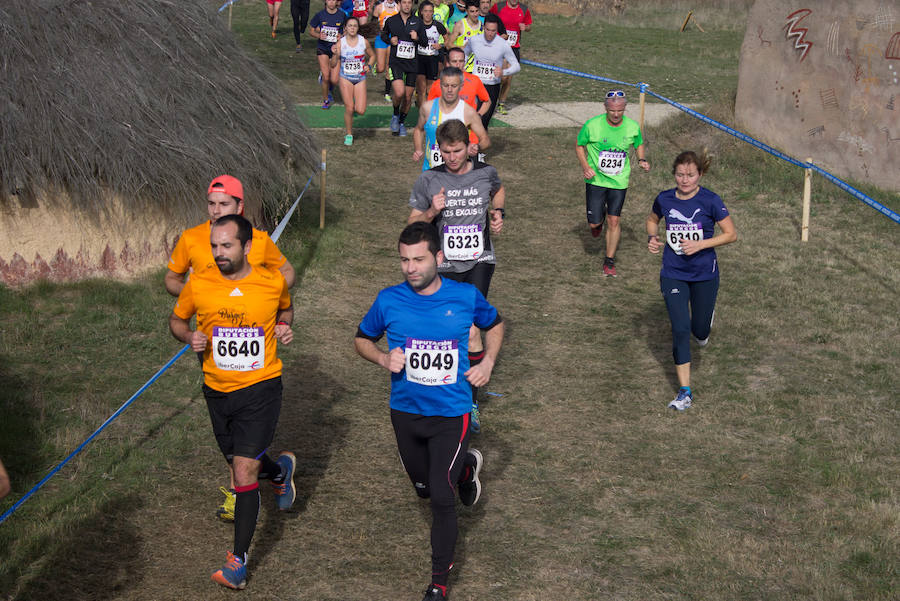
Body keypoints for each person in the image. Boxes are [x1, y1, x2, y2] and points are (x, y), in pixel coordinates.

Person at [354, 221, 504, 601]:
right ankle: (467, 467)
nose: (410, 268)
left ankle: (438, 582)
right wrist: (382, 357)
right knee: (423, 488)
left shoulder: (465, 296)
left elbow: (496, 324)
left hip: (452, 412)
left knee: (440, 494)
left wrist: (486, 363)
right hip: (405, 411)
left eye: (418, 259)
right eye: (404, 260)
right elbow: (361, 338)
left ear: (438, 257)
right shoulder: (388, 300)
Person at [169, 214, 298, 590]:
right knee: (240, 460)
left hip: (261, 387)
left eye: (226, 245)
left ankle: (237, 563)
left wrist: (284, 326)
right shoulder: (200, 283)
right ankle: (279, 472)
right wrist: (188, 336)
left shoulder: (271, 282)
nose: (218, 253)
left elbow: (286, 309)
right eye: (214, 246)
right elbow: (177, 321)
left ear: (246, 246)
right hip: (216, 389)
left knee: (242, 472)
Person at [407, 119, 505, 433]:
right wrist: (432, 212)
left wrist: (498, 212)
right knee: (448, 329)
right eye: (446, 151)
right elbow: (411, 227)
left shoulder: (485, 172)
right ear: (438, 149)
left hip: (479, 260)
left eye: (457, 150)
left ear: (468, 146)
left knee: (472, 327)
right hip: (444, 264)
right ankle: (442, 387)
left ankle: (469, 403)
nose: (451, 157)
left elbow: (498, 190)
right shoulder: (429, 179)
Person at [646, 151, 737, 410]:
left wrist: (701, 245)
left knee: (699, 331)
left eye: (690, 175)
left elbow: (731, 234)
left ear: (700, 174)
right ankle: (684, 391)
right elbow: (652, 220)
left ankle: (705, 322)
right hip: (673, 272)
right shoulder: (664, 198)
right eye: (680, 174)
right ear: (674, 173)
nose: (684, 180)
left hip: (704, 273)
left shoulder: (710, 200)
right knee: (681, 329)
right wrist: (652, 238)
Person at [574, 89, 650, 277]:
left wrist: (641, 159)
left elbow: (638, 142)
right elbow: (579, 145)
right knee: (594, 224)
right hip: (596, 179)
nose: (616, 115)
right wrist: (585, 167)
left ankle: (609, 261)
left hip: (619, 181)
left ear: (624, 109)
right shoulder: (592, 126)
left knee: (614, 220)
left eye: (620, 111)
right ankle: (597, 222)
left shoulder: (632, 127)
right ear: (605, 108)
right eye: (612, 111)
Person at [413, 67, 489, 171]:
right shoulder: (427, 108)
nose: (449, 90)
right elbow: (419, 129)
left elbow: (485, 139)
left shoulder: (468, 112)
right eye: (446, 85)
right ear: (440, 86)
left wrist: (476, 147)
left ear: (461, 87)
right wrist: (418, 149)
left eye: (454, 86)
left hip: (458, 176)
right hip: (431, 172)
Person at [463, 13, 519, 129]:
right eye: (488, 30)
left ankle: (479, 144)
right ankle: (470, 144)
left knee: (485, 121)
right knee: (473, 119)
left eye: (493, 31)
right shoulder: (474, 40)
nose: (490, 33)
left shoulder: (502, 44)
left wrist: (503, 72)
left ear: (497, 30)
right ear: (483, 27)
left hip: (492, 86)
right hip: (476, 85)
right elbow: (465, 53)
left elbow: (516, 66)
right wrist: (462, 66)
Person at [330, 16, 376, 145]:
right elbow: (332, 65)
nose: (352, 28)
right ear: (345, 28)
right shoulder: (341, 43)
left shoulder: (363, 42)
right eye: (350, 25)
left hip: (360, 78)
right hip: (346, 78)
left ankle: (351, 114)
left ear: (358, 28)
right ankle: (349, 134)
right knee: (349, 108)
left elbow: (372, 56)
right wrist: (335, 55)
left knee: (360, 110)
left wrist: (369, 65)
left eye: (355, 26)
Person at [381, 0, 422, 136]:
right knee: (399, 93)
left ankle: (401, 123)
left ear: (412, 4)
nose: (406, 5)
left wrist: (417, 38)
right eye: (404, 2)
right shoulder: (392, 21)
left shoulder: (418, 21)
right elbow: (383, 34)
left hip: (412, 63)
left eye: (409, 2)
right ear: (399, 4)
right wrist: (389, 40)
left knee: (408, 97)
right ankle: (395, 115)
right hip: (396, 62)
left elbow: (425, 40)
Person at [427, 46, 491, 122]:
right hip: (446, 130)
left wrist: (478, 115)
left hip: (469, 131)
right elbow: (430, 108)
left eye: (461, 61)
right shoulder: (438, 85)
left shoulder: (474, 80)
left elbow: (487, 101)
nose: (458, 65)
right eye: (454, 61)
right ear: (447, 63)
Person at [490, 0, 531, 115]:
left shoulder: (523, 9)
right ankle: (491, 101)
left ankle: (501, 104)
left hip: (514, 48)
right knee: (502, 77)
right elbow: (488, 19)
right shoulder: (499, 7)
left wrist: (525, 28)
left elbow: (529, 26)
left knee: (509, 78)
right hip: (499, 46)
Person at [310, 0, 347, 109]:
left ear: (337, 2)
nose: (331, 2)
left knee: (334, 80)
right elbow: (311, 31)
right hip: (323, 48)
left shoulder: (342, 15)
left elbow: (346, 30)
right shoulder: (320, 15)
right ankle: (326, 99)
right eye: (329, 0)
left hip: (336, 49)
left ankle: (328, 88)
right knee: (326, 77)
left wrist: (342, 35)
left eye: (333, 0)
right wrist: (318, 35)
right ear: (326, 1)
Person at [414, 1, 449, 109]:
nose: (428, 14)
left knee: (430, 90)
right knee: (421, 90)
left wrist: (441, 45)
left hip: (433, 59)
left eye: (430, 11)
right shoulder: (416, 24)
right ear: (421, 12)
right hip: (419, 58)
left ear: (433, 12)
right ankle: (422, 116)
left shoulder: (438, 25)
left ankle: (430, 114)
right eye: (425, 11)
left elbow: (448, 40)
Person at [373, 0, 400, 101]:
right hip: (381, 38)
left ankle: (387, 93)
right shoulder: (379, 8)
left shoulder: (398, 8)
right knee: (381, 68)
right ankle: (377, 66)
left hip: (392, 38)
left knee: (390, 65)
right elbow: (373, 23)